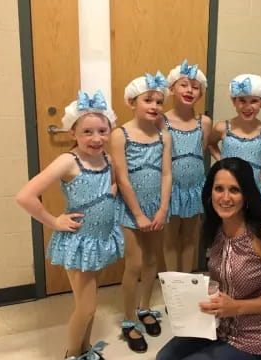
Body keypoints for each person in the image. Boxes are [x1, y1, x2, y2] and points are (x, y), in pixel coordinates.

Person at [156, 157, 261, 360]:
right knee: (164, 357)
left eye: (234, 190)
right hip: (220, 324)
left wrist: (237, 307)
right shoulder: (216, 226)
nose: (225, 197)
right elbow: (224, 273)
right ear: (209, 193)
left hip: (257, 336)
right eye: (219, 189)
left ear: (246, 195)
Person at [16, 90, 122, 360]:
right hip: (79, 242)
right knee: (85, 307)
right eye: (87, 132)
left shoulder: (108, 160)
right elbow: (25, 196)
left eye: (102, 130)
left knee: (91, 304)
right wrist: (54, 221)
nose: (96, 138)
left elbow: (110, 185)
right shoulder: (68, 161)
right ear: (72, 133)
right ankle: (72, 354)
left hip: (98, 240)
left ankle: (85, 349)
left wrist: (109, 195)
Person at [111, 72, 172, 353]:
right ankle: (128, 318)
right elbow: (122, 178)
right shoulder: (119, 134)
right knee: (133, 264)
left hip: (156, 209)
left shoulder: (164, 135)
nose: (154, 106)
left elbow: (167, 174)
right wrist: (137, 214)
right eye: (148, 100)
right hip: (130, 210)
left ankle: (145, 306)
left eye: (159, 101)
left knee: (151, 261)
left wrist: (162, 209)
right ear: (131, 101)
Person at [163, 59, 212, 272]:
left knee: (191, 237)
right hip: (170, 188)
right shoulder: (161, 121)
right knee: (170, 238)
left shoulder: (204, 122)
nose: (189, 90)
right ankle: (172, 286)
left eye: (195, 87)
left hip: (194, 188)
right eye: (184, 85)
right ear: (172, 88)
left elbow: (201, 151)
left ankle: (186, 282)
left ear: (200, 93)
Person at [208, 74, 261, 209]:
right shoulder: (222, 127)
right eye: (242, 100)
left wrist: (258, 164)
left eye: (254, 101)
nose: (247, 106)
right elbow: (211, 144)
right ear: (234, 101)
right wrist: (221, 160)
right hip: (227, 188)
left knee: (250, 226)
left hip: (253, 186)